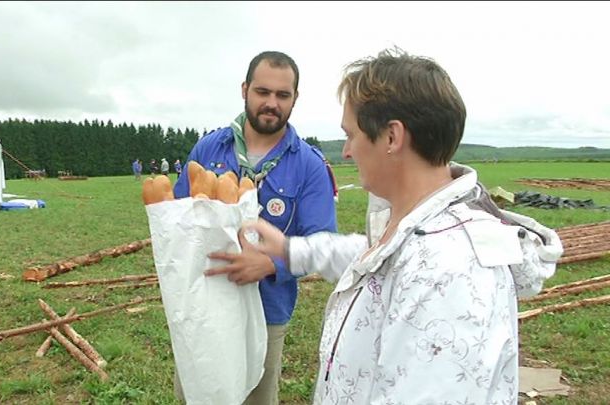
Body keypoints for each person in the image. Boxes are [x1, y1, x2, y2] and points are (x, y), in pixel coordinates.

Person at [213, 48, 564, 403]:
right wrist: (290, 249)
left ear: (392, 138)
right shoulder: (421, 226)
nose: (347, 151)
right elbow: (376, 258)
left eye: (351, 135)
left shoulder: (451, 271)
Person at [173, 50, 338, 404]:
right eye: (263, 92)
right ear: (245, 89)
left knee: (256, 398)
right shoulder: (208, 148)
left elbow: (322, 243)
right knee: (196, 393)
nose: (271, 103)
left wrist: (271, 264)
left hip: (267, 310)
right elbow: (179, 214)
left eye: (283, 95)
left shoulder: (309, 165)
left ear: (295, 99)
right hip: (205, 302)